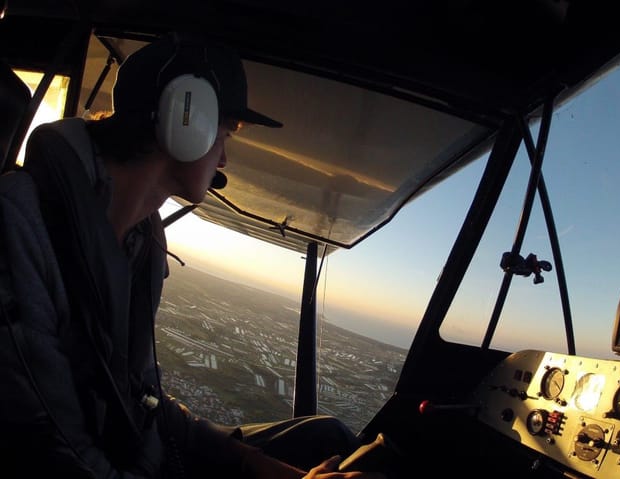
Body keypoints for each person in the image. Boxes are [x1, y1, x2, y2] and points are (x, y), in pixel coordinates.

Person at [0, 33, 386, 478]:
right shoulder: (20, 223)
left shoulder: (140, 243)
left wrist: (256, 464)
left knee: (329, 436)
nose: (223, 157)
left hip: (140, 455)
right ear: (186, 120)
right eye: (225, 133)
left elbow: (141, 397)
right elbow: (53, 452)